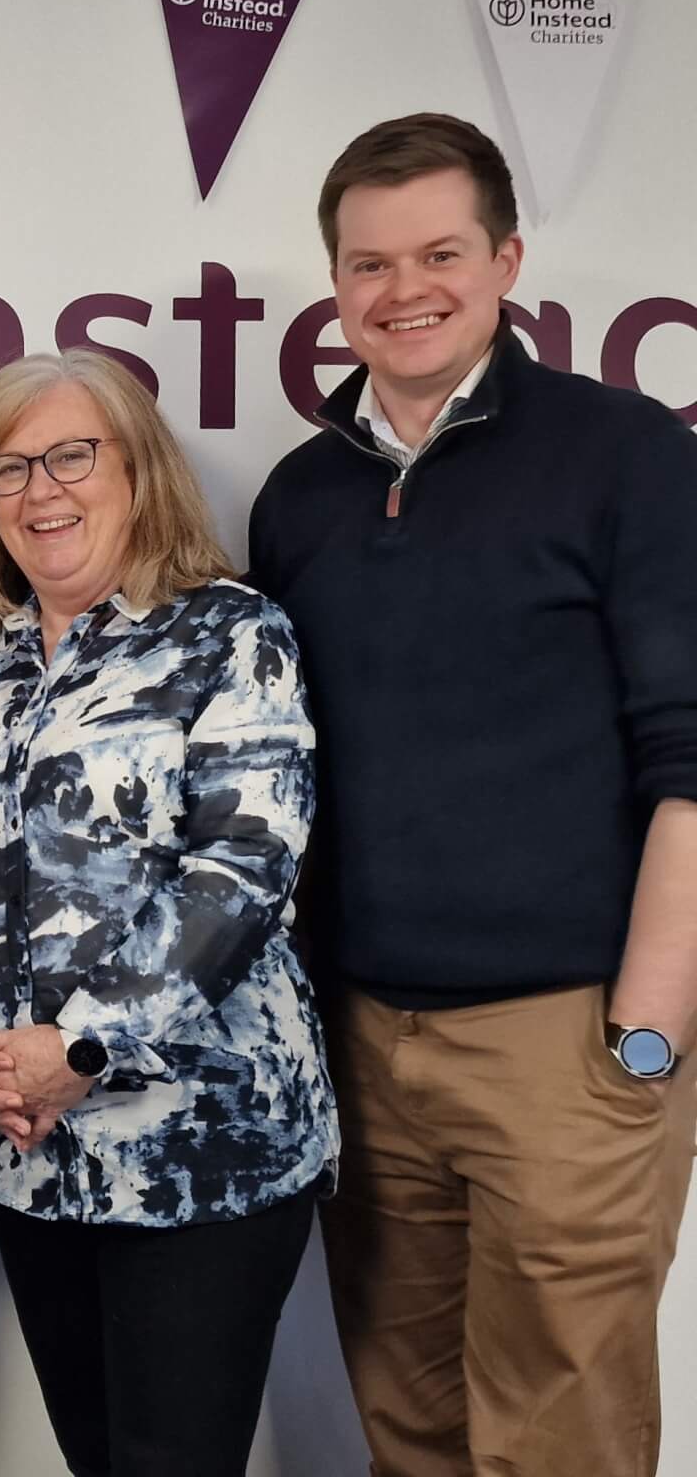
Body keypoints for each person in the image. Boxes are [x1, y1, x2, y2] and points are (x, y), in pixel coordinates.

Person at [248, 112, 697, 1476]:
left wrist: (647, 1039)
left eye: (441, 252)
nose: (405, 291)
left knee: (558, 1438)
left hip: (567, 1042)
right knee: (412, 1430)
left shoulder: (626, 451)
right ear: (336, 288)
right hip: (365, 1045)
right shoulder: (299, 499)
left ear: (507, 260)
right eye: (369, 264)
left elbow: (690, 760)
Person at [0, 351, 337, 1477]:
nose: (38, 491)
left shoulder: (228, 635)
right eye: (5, 469)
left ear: (139, 470)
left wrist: (86, 1047)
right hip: (29, 1151)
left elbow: (240, 874)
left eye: (69, 457)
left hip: (202, 1145)